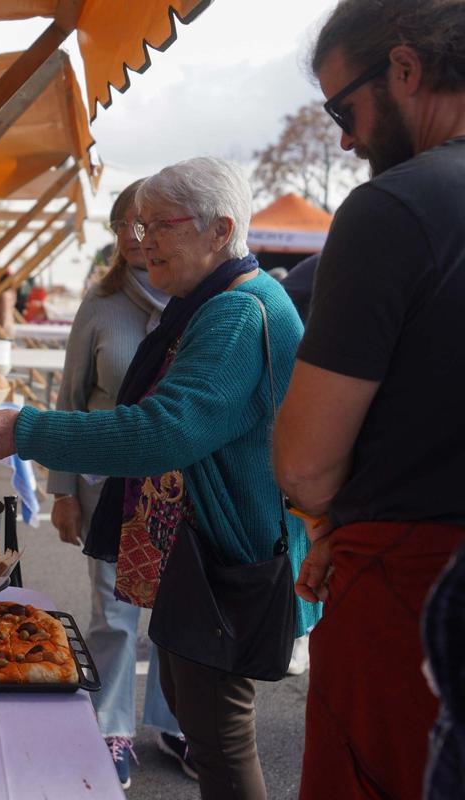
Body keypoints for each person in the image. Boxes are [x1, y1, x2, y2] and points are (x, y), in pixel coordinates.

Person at [0, 157, 318, 800]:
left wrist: (24, 431)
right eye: (137, 225)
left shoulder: (234, 314)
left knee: (221, 741)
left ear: (218, 229)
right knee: (204, 723)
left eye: (158, 226)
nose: (140, 241)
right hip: (205, 557)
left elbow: (162, 431)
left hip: (223, 561)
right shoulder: (226, 299)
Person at [272, 3, 465, 798]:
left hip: (411, 599)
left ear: (406, 69)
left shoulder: (396, 207)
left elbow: (306, 464)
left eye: (341, 110)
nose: (346, 138)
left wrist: (329, 519)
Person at [47, 179, 186, 790]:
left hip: (182, 488)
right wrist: (62, 489)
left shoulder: (203, 304)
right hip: (109, 487)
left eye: (146, 224)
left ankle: (174, 722)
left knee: (178, 611)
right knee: (113, 612)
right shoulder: (100, 306)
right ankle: (111, 726)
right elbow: (69, 401)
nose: (135, 237)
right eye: (124, 225)